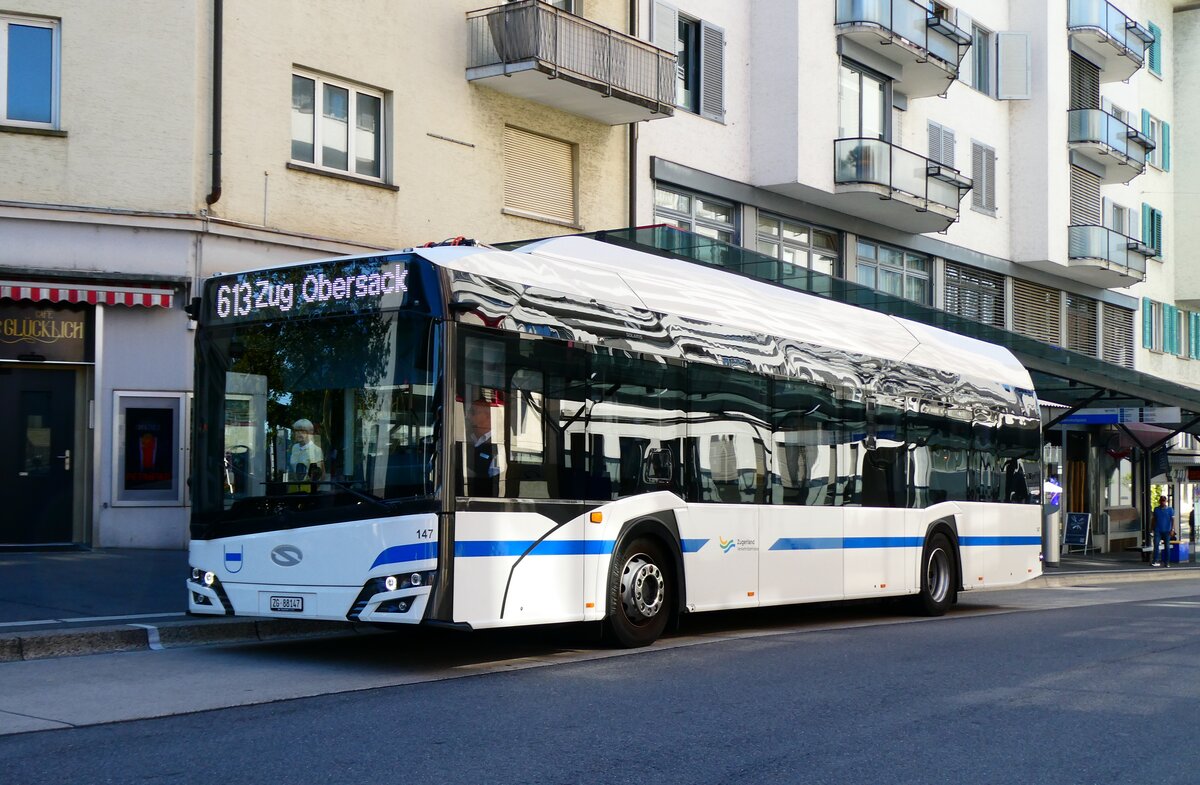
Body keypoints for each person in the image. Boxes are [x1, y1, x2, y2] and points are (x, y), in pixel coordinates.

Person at [466, 401, 502, 496]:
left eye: (472, 412)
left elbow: (495, 483)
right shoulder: (465, 439)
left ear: (488, 416)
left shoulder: (499, 445)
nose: (468, 416)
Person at [1151, 496, 1175, 567]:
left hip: (1167, 531)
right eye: (1161, 501)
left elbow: (1173, 520)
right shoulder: (1156, 509)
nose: (1162, 502)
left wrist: (1172, 529)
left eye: (1164, 501)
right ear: (1159, 501)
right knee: (1156, 545)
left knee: (1167, 546)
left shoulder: (1170, 510)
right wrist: (1151, 529)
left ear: (1166, 501)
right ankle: (1155, 560)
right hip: (1157, 530)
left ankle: (1167, 562)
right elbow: (1153, 520)